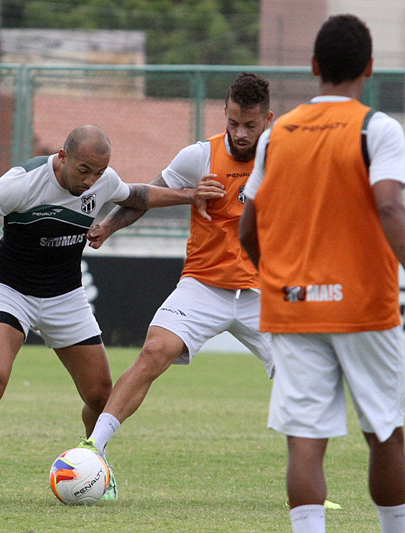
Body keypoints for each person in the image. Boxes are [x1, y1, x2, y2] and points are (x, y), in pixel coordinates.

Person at [0, 125, 225, 503]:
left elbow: (137, 195)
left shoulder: (102, 181)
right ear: (63, 157)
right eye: (84, 170)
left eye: (99, 173)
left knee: (102, 397)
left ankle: (95, 465)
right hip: (11, 292)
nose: (91, 182)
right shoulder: (22, 183)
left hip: (65, 297)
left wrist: (186, 196)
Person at [239, 14, 405, 533]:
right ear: (370, 68)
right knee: (386, 435)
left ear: (314, 67)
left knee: (306, 443)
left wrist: (279, 278)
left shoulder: (277, 133)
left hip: (293, 307)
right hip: (364, 309)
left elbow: (248, 229)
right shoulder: (377, 127)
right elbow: (390, 208)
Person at [79, 73, 276, 474]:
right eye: (233, 122)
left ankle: (312, 487)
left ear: (267, 119)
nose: (240, 133)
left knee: (304, 379)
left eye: (250, 126)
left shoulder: (285, 158)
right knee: (154, 352)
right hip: (203, 284)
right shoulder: (199, 156)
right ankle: (91, 452)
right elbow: (145, 196)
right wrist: (108, 225)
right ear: (224, 112)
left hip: (262, 292)